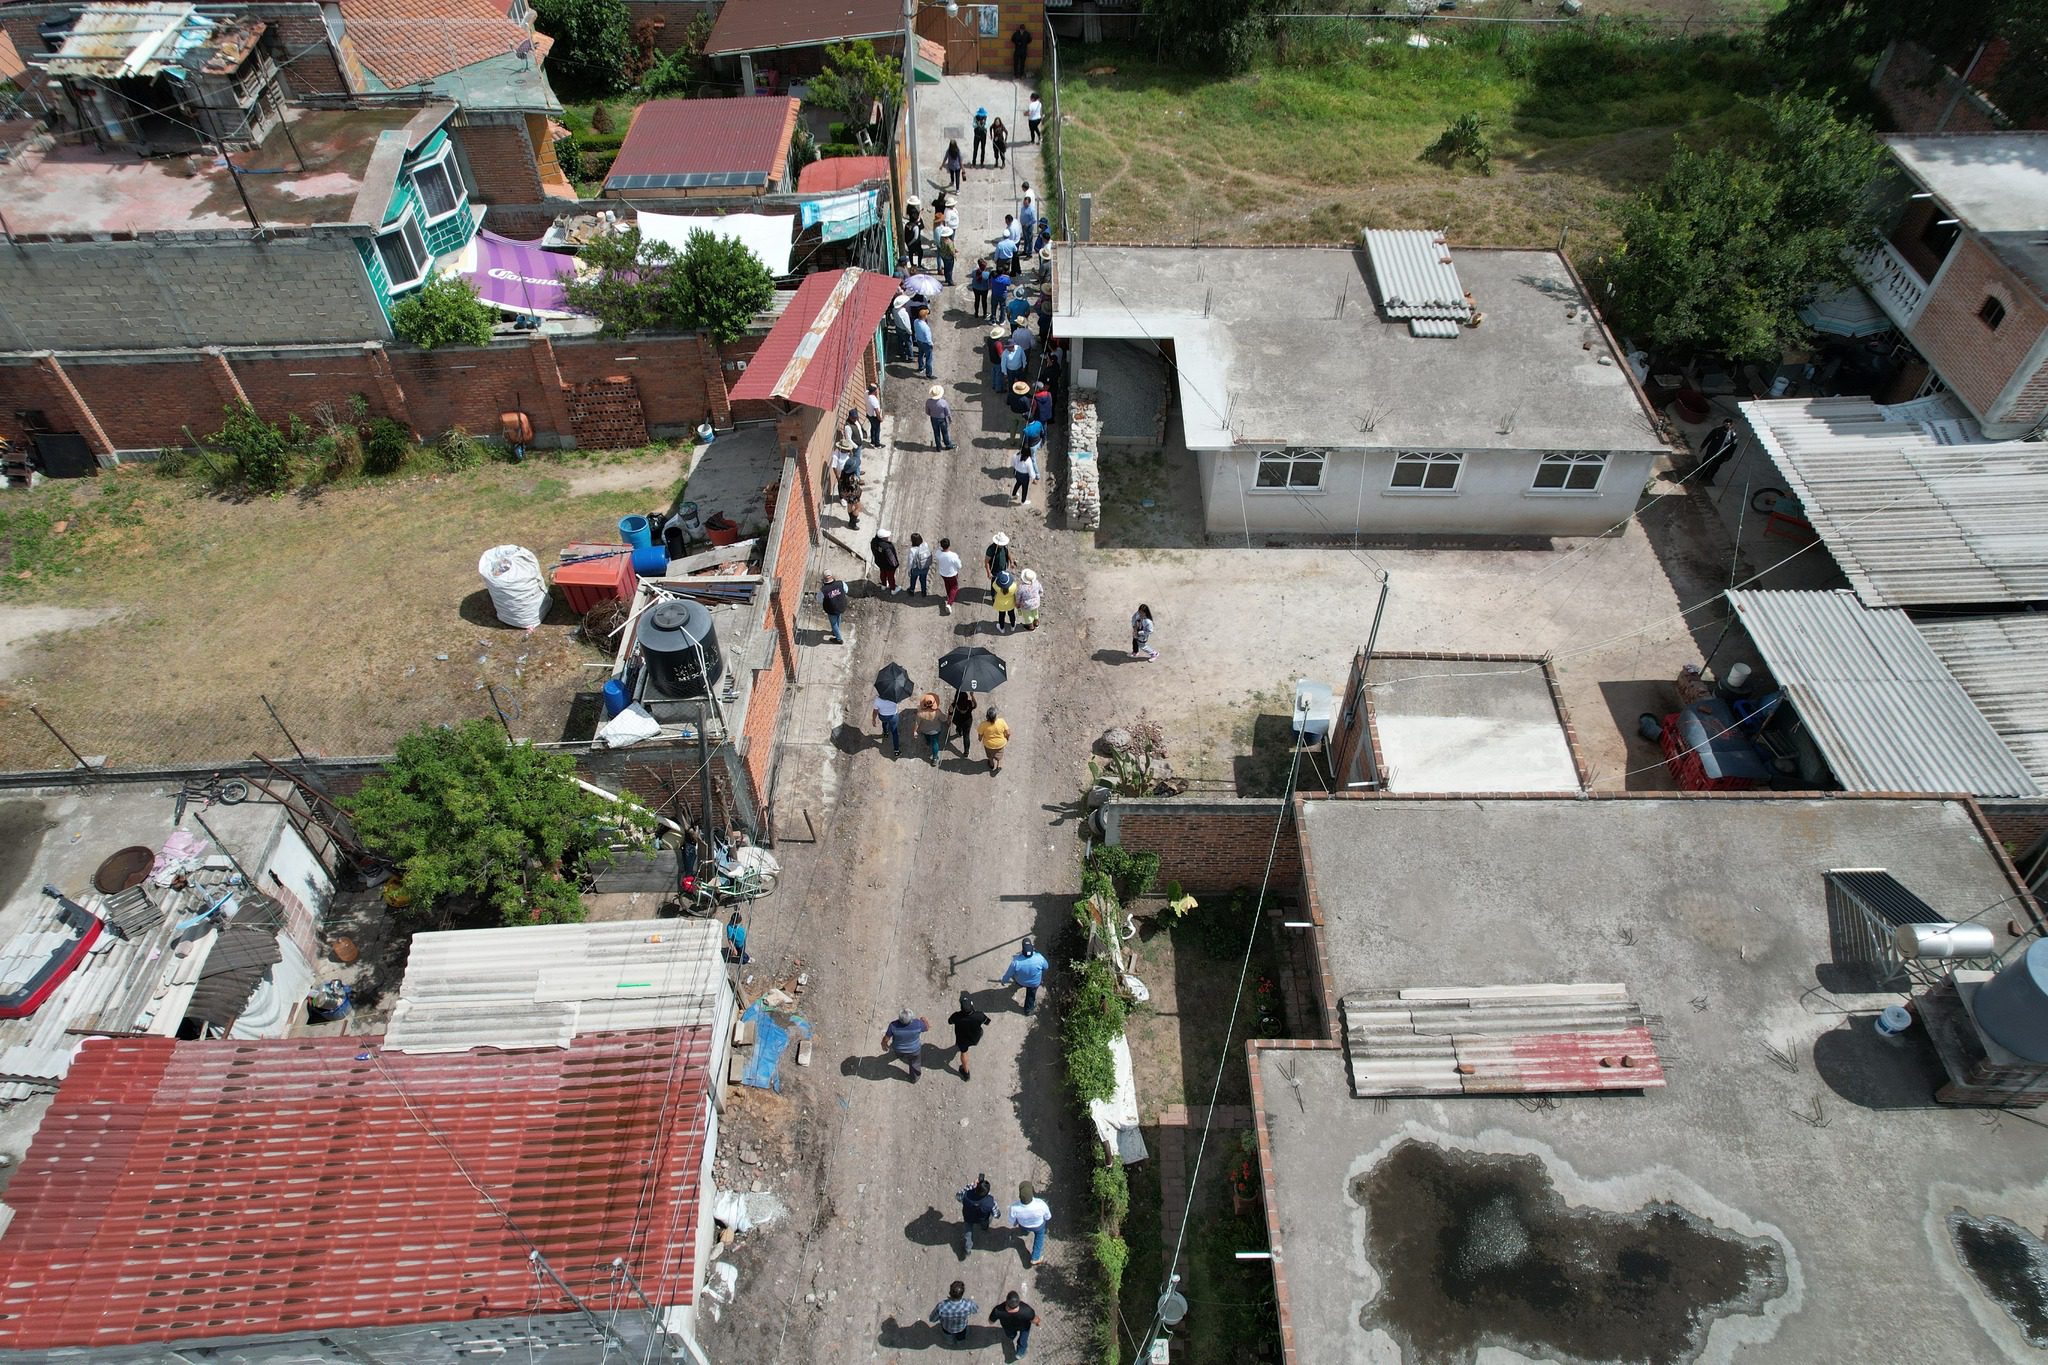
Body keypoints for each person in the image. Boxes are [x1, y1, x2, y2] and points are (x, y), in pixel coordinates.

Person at [948, 991, 990, 1079]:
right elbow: (987, 1022)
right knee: (980, 1032)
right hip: (975, 1038)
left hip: (962, 1040)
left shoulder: (956, 1016)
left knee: (964, 1053)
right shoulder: (979, 1015)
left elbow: (950, 1022)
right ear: (972, 1005)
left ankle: (966, 1073)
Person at [1008, 1181, 1051, 1265]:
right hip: (1038, 1226)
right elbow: (1048, 1216)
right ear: (1032, 1193)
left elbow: (1012, 1221)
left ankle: (1024, 1233)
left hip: (1024, 1225)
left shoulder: (1014, 1207)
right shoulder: (1041, 1204)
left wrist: (1015, 1223)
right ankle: (1035, 1258)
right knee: (1039, 1237)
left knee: (1024, 1229)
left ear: (1020, 1195)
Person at [1001, 940, 1048, 1014]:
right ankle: (1028, 1010)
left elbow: (1009, 974)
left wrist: (1004, 981)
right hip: (1034, 983)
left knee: (1016, 975)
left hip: (1020, 981)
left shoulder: (1016, 962)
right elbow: (1046, 967)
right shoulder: (1039, 958)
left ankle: (1018, 985)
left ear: (1022, 949)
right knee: (1030, 996)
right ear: (1032, 949)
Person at [882, 1008, 929, 1081]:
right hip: (914, 1050)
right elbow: (927, 1028)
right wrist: (924, 1020)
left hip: (898, 1049)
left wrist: (884, 1045)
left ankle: (900, 1056)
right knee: (915, 1064)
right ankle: (914, 1078)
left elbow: (886, 1039)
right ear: (911, 1019)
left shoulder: (893, 1025)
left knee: (899, 1053)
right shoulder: (918, 1024)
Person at [990, 1291, 1040, 1357]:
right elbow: (1035, 1320)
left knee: (1010, 1335)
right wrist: (1038, 1322)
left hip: (1008, 1327)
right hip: (1024, 1327)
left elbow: (991, 1322)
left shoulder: (998, 1310)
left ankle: (1011, 1338)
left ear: (1006, 1302)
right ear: (1018, 1301)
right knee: (1023, 1339)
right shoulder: (1027, 1310)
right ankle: (1020, 1353)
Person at [1695, 417, 1739, 485]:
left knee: (1715, 466)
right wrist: (1702, 447)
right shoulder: (1717, 430)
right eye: (1726, 423)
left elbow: (1733, 447)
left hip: (1721, 455)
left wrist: (1729, 456)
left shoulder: (1732, 435)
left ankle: (1710, 476)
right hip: (1711, 451)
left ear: (1731, 425)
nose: (1727, 425)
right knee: (1706, 463)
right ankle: (1702, 475)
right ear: (1723, 423)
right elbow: (1708, 438)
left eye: (1729, 424)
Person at [959, 1175, 998, 1249]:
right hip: (982, 1219)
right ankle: (984, 1228)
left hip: (968, 1217)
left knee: (968, 1232)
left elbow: (958, 1196)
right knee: (986, 1222)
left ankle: (968, 1248)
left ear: (976, 1188)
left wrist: (972, 1185)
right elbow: (996, 1214)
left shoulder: (967, 1195)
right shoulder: (990, 1201)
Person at [977, 705, 1010, 774]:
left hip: (988, 744)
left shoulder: (983, 724)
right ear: (995, 716)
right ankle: (999, 764)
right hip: (1000, 744)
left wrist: (980, 739)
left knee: (990, 756)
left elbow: (980, 735)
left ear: (987, 716)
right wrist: (1007, 738)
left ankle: (991, 764)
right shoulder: (1001, 721)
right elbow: (1008, 733)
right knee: (999, 756)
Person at [915, 691, 946, 764]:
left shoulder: (920, 713)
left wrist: (915, 731)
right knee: (935, 743)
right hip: (935, 731)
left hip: (925, 730)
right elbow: (944, 719)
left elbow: (917, 723)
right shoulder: (937, 712)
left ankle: (928, 742)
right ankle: (934, 758)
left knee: (927, 736)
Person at [936, 537, 963, 613]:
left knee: (947, 585)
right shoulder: (953, 555)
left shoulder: (938, 553)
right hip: (952, 574)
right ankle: (949, 603)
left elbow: (937, 552)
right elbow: (959, 566)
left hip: (943, 574)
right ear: (949, 545)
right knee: (954, 588)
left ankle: (949, 595)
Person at [872, 688, 902, 756]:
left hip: (883, 716)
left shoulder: (877, 700)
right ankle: (896, 750)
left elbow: (875, 712)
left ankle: (885, 733)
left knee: (884, 723)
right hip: (893, 717)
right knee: (895, 732)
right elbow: (899, 702)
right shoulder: (894, 697)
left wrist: (873, 719)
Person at [819, 576, 849, 644]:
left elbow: (819, 599)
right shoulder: (841, 583)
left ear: (823, 580)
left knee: (833, 623)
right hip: (841, 606)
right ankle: (836, 631)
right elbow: (846, 590)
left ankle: (839, 639)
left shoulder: (823, 590)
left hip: (831, 609)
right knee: (838, 617)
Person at [870, 527, 900, 592]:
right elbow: (892, 559)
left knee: (882, 574)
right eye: (886, 537)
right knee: (890, 577)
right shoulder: (887, 547)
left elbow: (874, 551)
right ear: (883, 538)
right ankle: (893, 589)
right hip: (888, 566)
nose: (887, 537)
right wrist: (895, 566)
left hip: (880, 562)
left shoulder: (874, 542)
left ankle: (883, 585)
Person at [926, 385, 955, 450]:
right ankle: (948, 445)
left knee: (936, 432)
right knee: (945, 432)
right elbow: (947, 413)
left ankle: (938, 447)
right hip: (942, 419)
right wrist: (950, 419)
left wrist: (932, 414)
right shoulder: (943, 402)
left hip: (933, 419)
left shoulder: (928, 401)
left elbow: (927, 412)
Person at [950, 688, 977, 753]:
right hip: (967, 722)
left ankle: (959, 732)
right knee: (966, 736)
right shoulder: (969, 703)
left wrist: (949, 720)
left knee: (959, 727)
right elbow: (975, 705)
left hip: (957, 720)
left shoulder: (954, 705)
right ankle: (966, 751)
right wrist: (972, 696)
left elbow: (950, 712)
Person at [829, 435, 855, 503]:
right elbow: (834, 467)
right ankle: (842, 498)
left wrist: (851, 452)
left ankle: (847, 495)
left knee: (847, 485)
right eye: (846, 449)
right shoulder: (835, 455)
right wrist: (838, 478)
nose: (847, 450)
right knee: (841, 486)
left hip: (848, 471)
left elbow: (851, 458)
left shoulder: (847, 452)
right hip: (841, 474)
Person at [912, 309, 935, 379]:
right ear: (924, 316)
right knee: (929, 359)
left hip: (919, 341)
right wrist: (931, 344)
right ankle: (929, 374)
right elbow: (928, 338)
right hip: (926, 343)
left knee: (920, 354)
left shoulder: (915, 321)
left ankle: (921, 367)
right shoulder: (925, 327)